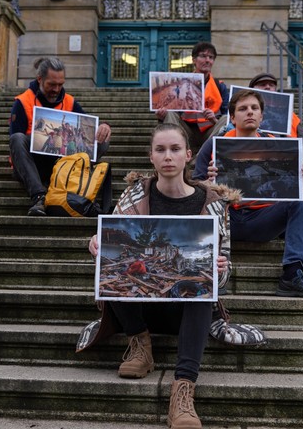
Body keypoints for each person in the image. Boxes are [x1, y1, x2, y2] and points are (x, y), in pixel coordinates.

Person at [77, 123, 265, 429]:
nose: (168, 156)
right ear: (151, 156)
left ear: (188, 155)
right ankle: (140, 343)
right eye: (160, 150)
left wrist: (220, 270)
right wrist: (98, 244)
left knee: (199, 287)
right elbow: (115, 244)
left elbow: (225, 272)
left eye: (175, 149)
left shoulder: (212, 202)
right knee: (114, 267)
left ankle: (183, 389)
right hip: (141, 308)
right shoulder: (135, 194)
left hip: (185, 310)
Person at [194, 89, 303, 298]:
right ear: (232, 117)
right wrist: (206, 181)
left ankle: (292, 275)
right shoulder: (214, 144)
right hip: (224, 220)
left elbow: (286, 186)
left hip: (262, 219)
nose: (249, 112)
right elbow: (192, 187)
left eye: (254, 108)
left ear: (261, 116)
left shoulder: (278, 145)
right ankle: (209, 273)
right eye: (242, 109)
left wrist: (296, 178)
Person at [9, 57, 111, 216]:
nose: (56, 89)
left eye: (60, 84)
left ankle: (79, 182)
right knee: (17, 138)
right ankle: (39, 196)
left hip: (63, 165)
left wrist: (103, 127)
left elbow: (88, 127)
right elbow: (15, 147)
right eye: (52, 84)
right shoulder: (22, 102)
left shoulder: (70, 101)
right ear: (40, 79)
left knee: (102, 141)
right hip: (34, 165)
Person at [193, 72, 303, 192]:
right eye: (263, 84)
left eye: (271, 85)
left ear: (261, 116)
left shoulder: (291, 117)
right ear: (233, 118)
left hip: (277, 164)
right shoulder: (217, 140)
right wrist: (209, 182)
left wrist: (295, 161)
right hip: (229, 201)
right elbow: (198, 179)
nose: (267, 87)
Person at [154, 41, 229, 154]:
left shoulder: (220, 86)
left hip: (210, 131)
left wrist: (214, 119)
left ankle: (200, 158)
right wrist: (162, 117)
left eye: (211, 57)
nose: (207, 60)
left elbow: (227, 116)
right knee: (170, 113)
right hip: (186, 132)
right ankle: (174, 154)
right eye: (203, 56)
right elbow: (174, 114)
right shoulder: (180, 83)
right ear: (193, 60)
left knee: (225, 119)